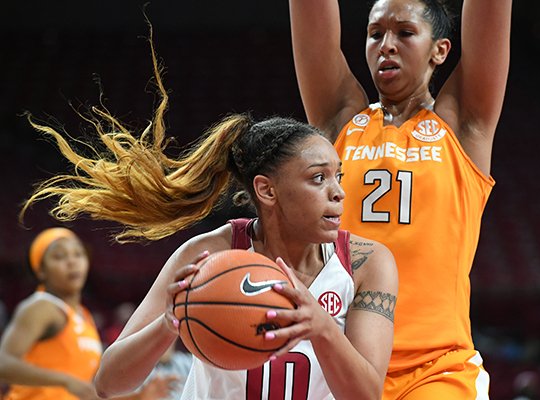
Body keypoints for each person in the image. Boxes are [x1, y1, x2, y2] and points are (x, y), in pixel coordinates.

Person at [19, 26, 399, 399]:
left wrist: (323, 328)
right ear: (267, 190)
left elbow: (367, 394)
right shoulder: (209, 256)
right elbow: (107, 383)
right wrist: (168, 324)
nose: (338, 193)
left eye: (339, 176)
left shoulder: (366, 263)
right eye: (318, 179)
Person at [288, 0, 512, 398]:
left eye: (405, 33)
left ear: (439, 50)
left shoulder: (462, 124)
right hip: (343, 360)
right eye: (376, 34)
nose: (386, 45)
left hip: (437, 368)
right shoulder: (339, 119)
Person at [0, 227, 103, 400]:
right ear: (41, 271)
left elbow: (85, 390)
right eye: (59, 256)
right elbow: (2, 364)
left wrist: (135, 397)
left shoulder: (84, 316)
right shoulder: (41, 307)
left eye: (78, 254)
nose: (72, 262)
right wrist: (65, 381)